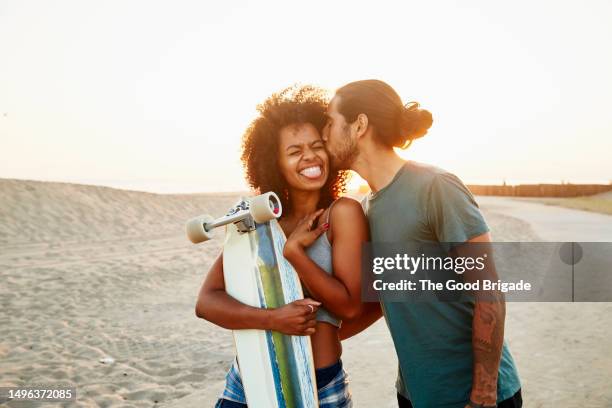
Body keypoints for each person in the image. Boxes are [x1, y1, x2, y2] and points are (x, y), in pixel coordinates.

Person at [322, 79, 522, 408]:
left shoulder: (435, 187)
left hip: (474, 397)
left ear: (359, 125)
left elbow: (489, 291)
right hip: (414, 394)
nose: (324, 132)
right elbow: (384, 299)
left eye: (330, 121)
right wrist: (321, 336)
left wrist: (484, 394)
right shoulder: (369, 208)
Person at [195, 85, 369, 408]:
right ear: (274, 162)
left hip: (319, 387)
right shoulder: (259, 220)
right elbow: (206, 302)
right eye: (294, 151)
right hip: (249, 379)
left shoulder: (343, 214)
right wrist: (273, 318)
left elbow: (350, 307)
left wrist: (295, 254)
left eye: (317, 145)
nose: (310, 157)